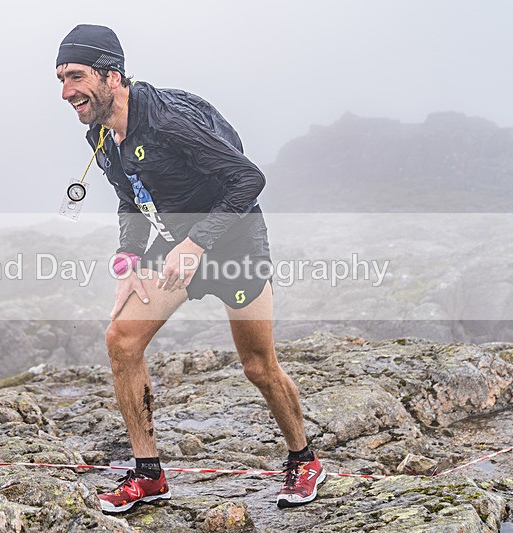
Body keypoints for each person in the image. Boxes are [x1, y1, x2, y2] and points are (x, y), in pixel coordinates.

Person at [55, 24, 325, 513]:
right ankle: (149, 475)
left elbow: (248, 178)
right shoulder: (101, 134)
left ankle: (304, 459)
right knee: (121, 340)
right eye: (60, 79)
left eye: (75, 76)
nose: (66, 91)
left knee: (258, 367)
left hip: (234, 241)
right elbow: (128, 200)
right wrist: (128, 259)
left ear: (112, 75)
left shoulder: (167, 122)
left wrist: (198, 244)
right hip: (175, 247)